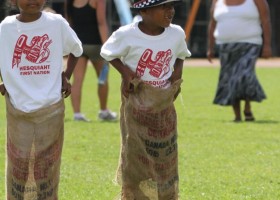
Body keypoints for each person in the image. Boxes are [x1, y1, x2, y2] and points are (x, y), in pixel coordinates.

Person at [101, 0, 191, 198]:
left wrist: (177, 76)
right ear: (144, 10)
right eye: (164, 7)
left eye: (172, 6)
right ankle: (135, 193)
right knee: (136, 154)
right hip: (137, 104)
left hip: (163, 104)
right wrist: (126, 73)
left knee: (165, 154)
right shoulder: (126, 34)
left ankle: (166, 193)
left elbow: (181, 55)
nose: (170, 11)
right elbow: (107, 52)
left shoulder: (176, 33)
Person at [0, 0, 82, 198]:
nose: (33, 1)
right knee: (19, 163)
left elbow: (76, 50)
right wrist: (5, 80)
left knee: (46, 165)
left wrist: (65, 75)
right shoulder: (6, 28)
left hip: (50, 106)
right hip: (18, 108)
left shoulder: (56, 23)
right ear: (13, 1)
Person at [207, 0, 272, 122]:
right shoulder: (217, 1)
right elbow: (212, 24)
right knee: (229, 78)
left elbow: (265, 21)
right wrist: (210, 48)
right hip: (225, 46)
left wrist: (267, 45)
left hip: (250, 44)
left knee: (245, 74)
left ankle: (247, 107)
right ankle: (237, 115)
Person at [65, 0, 117, 122]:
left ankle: (77, 114)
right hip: (96, 45)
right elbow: (101, 22)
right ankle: (103, 111)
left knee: (77, 80)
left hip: (78, 46)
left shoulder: (69, 2)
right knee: (102, 79)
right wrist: (107, 46)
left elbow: (69, 23)